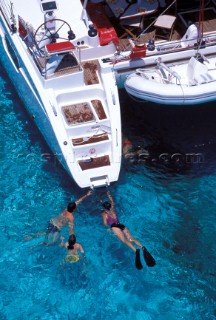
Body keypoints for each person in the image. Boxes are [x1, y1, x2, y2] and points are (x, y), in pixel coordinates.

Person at [102, 191, 156, 269]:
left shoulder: (104, 214)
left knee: (124, 241)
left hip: (114, 227)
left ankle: (136, 251)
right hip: (121, 225)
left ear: (105, 208)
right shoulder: (112, 208)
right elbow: (112, 201)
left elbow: (105, 223)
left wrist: (107, 229)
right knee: (131, 238)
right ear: (110, 206)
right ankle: (142, 247)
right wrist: (109, 195)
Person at [27, 190, 92, 245]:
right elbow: (71, 229)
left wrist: (86, 195)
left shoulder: (66, 209)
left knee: (46, 232)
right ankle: (38, 244)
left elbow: (77, 202)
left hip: (52, 222)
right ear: (74, 209)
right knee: (52, 242)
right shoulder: (71, 217)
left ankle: (30, 236)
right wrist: (72, 238)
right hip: (57, 228)